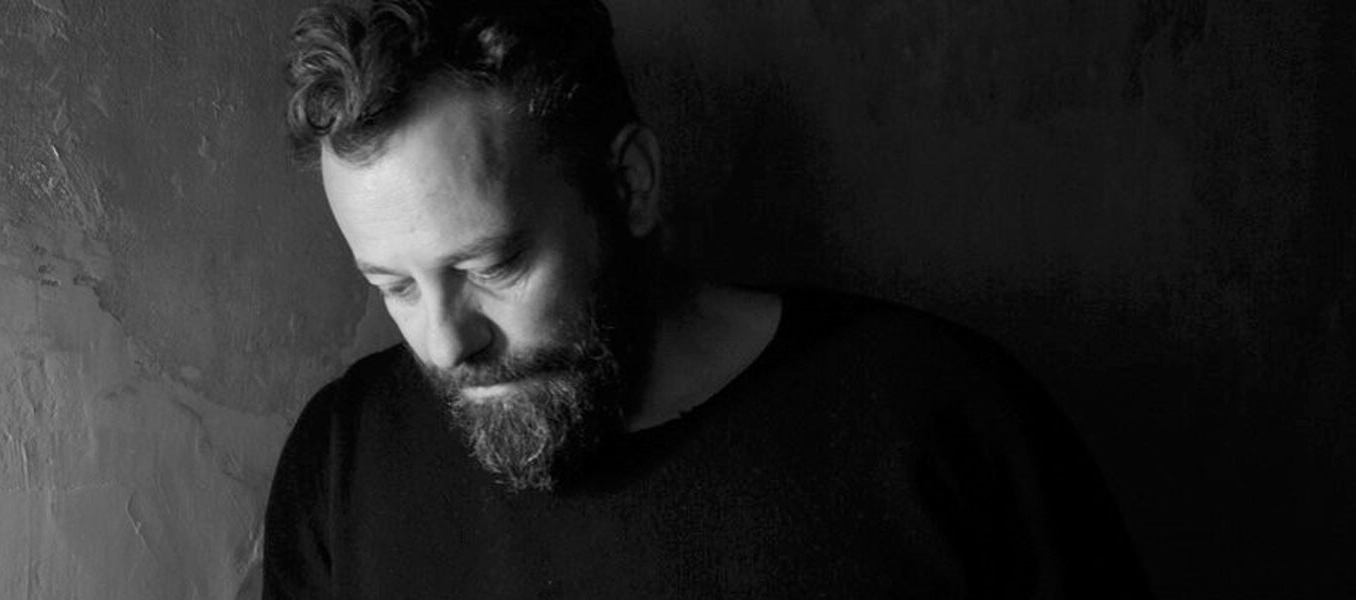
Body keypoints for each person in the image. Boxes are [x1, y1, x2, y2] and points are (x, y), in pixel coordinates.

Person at [263, 0, 1152, 597]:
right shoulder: (344, 464)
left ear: (632, 183)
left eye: (493, 267)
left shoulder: (938, 419)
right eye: (394, 286)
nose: (445, 344)